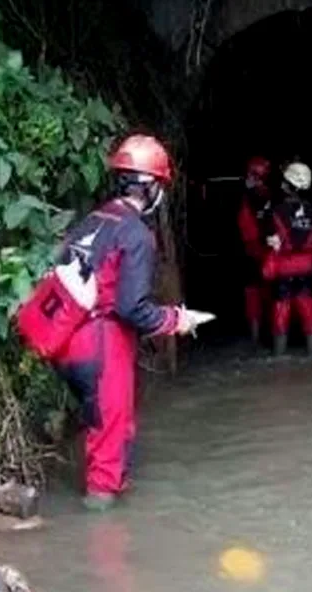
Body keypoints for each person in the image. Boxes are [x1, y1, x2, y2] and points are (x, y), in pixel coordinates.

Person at [53, 133, 201, 510]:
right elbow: (132, 308)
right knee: (108, 450)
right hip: (102, 346)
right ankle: (104, 547)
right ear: (149, 186)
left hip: (66, 341)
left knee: (105, 428)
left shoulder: (93, 220)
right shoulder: (136, 233)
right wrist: (175, 320)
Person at [263, 161, 312, 355]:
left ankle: (279, 359)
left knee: (281, 311)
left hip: (284, 268)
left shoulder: (276, 210)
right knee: (308, 309)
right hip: (307, 268)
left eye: (284, 181)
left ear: (289, 185)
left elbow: (270, 240)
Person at [237, 156, 273, 346]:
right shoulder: (271, 196)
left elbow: (246, 229)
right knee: (267, 296)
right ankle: (269, 337)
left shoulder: (248, 198)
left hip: (254, 253)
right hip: (268, 254)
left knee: (253, 296)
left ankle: (255, 339)